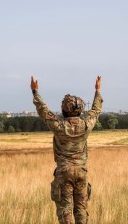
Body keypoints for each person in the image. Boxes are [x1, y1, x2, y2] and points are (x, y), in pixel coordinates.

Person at [30, 75, 103, 224]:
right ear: (80, 110)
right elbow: (96, 110)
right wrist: (97, 91)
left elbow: (44, 111)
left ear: (63, 109)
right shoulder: (86, 125)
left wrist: (35, 92)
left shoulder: (59, 126)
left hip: (64, 172)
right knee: (81, 209)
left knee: (65, 211)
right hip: (82, 172)